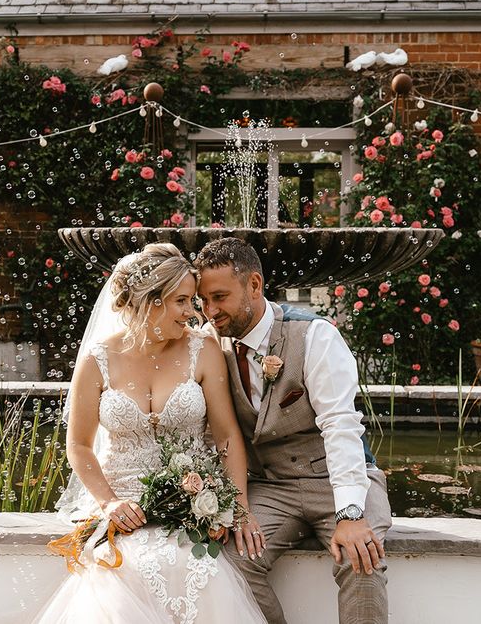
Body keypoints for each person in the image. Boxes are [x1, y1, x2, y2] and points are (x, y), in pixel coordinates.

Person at [34, 243, 267, 624]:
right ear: (151, 301)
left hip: (191, 506)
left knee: (189, 565)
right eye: (183, 301)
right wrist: (109, 502)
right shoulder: (97, 360)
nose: (194, 313)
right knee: (122, 572)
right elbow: (77, 445)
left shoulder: (203, 349)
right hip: (124, 508)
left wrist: (234, 508)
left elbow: (226, 437)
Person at [196, 237, 392, 624]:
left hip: (335, 480)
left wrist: (351, 514)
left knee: (361, 559)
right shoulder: (209, 344)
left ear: (254, 285)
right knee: (229, 564)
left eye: (219, 297)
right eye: (203, 300)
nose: (209, 311)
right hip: (270, 486)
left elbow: (340, 425)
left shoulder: (315, 335)